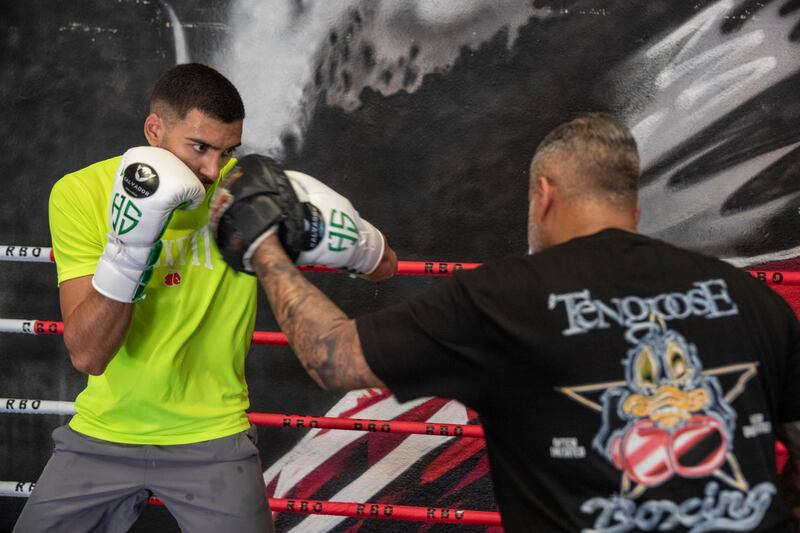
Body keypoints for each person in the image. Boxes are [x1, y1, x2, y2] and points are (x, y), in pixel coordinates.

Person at [213, 113, 800, 531]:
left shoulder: (502, 299)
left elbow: (333, 357)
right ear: (632, 204)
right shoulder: (745, 295)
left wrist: (263, 246)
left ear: (543, 196)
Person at [15, 63, 397, 533]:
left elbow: (386, 266)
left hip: (213, 438)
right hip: (103, 433)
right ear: (154, 129)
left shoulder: (248, 196)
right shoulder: (81, 193)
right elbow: (88, 354)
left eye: (227, 150)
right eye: (199, 147)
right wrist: (130, 247)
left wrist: (350, 237)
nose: (213, 169)